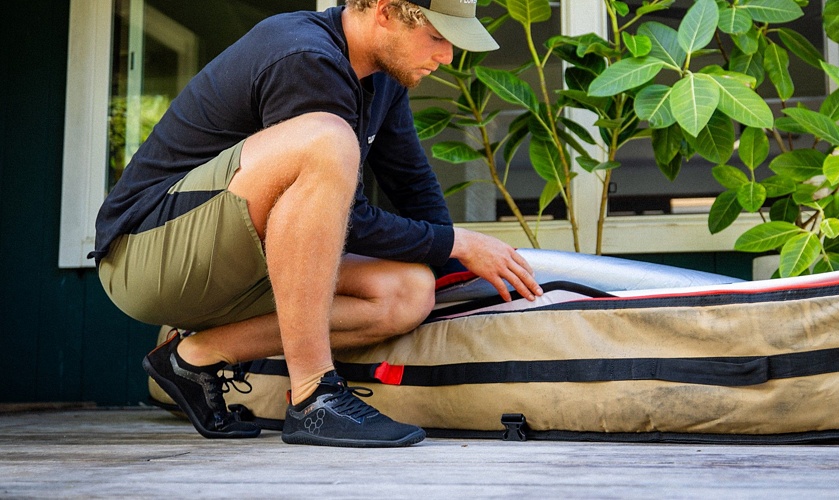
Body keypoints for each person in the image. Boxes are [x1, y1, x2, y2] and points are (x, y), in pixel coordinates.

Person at [91, 0, 543, 448]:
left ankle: (195, 357)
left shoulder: (383, 78)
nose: (446, 56)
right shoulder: (304, 57)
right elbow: (352, 220)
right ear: (385, 12)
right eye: (437, 37)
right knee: (327, 140)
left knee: (409, 292)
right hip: (147, 257)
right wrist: (457, 242)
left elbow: (411, 183)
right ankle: (314, 398)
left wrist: (457, 273)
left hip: (236, 267)